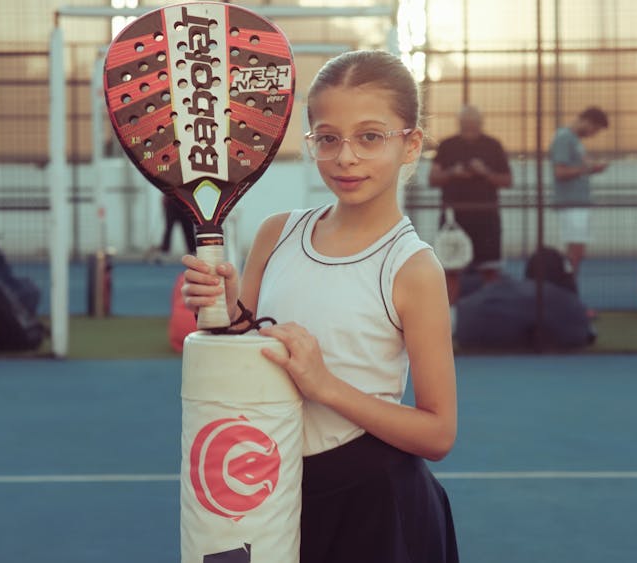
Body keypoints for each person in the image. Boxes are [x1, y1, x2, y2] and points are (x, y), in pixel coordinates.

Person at [180, 50, 459, 563]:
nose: (345, 157)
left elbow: (438, 432)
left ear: (411, 144)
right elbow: (247, 349)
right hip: (277, 493)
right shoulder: (276, 233)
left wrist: (325, 385)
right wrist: (222, 311)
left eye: (370, 137)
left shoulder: (413, 268)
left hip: (376, 506)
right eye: (328, 138)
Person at [429, 104, 512, 268]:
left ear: (481, 122)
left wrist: (485, 172)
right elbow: (433, 179)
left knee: (490, 268)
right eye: (465, 121)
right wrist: (453, 172)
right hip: (454, 219)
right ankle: (452, 295)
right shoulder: (447, 145)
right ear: (459, 122)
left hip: (486, 218)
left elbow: (507, 180)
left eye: (473, 121)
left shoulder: (493, 145)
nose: (469, 125)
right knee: (451, 268)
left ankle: (489, 295)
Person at [549, 106, 610, 275]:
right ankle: (568, 288)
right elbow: (559, 172)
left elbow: (578, 167)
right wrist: (586, 169)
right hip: (571, 203)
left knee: (576, 252)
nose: (594, 134)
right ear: (587, 122)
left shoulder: (574, 140)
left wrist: (593, 168)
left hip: (578, 203)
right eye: (595, 129)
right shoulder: (564, 138)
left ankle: (568, 287)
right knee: (575, 252)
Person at [146, 195, 196, 262]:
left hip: (185, 202)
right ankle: (164, 252)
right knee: (168, 229)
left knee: (188, 229)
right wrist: (164, 199)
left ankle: (192, 252)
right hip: (171, 202)